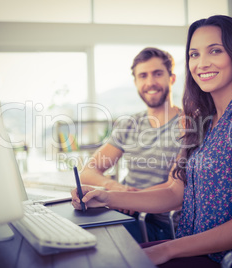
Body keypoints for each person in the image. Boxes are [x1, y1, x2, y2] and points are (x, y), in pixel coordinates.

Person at [72, 15, 232, 267]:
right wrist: (107, 196)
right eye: (194, 54)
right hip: (199, 249)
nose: (202, 63)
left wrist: (168, 249)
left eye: (215, 50)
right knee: (103, 256)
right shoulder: (202, 121)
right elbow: (174, 193)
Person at [80, 47, 182, 242]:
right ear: (135, 82)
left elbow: (173, 188)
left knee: (93, 241)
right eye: (143, 76)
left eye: (157, 74)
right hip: (123, 212)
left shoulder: (187, 126)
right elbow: (88, 170)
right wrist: (114, 188)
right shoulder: (129, 124)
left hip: (159, 225)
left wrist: (124, 199)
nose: (150, 82)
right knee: (72, 229)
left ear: (172, 78)